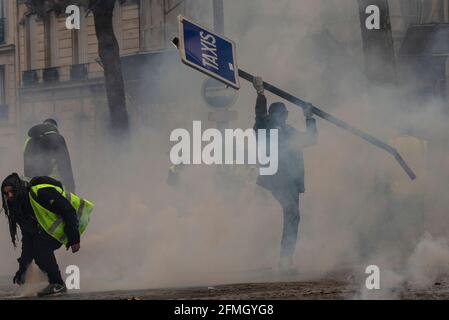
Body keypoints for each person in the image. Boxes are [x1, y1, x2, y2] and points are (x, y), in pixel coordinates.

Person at [252, 76, 318, 272]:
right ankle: (284, 261)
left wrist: (309, 117)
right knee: (291, 214)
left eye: (282, 114)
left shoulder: (289, 132)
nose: (280, 117)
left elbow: (311, 139)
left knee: (293, 217)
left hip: (292, 181)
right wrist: (260, 94)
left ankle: (285, 259)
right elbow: (259, 116)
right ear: (272, 116)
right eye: (277, 115)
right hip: (276, 179)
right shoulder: (265, 129)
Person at [1, 173, 93, 297]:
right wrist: (23, 269)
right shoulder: (19, 209)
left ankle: (57, 284)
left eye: (12, 191)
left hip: (75, 220)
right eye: (6, 194)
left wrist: (74, 238)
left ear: (19, 188)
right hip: (57, 228)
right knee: (37, 246)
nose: (9, 196)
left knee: (40, 246)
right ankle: (53, 281)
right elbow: (28, 239)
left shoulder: (40, 192)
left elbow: (68, 210)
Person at [24, 119, 75, 193]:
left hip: (34, 186)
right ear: (55, 128)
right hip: (54, 185)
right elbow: (65, 164)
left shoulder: (29, 141)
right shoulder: (57, 138)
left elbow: (27, 164)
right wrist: (71, 187)